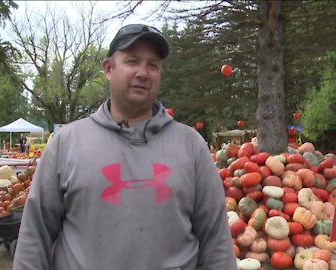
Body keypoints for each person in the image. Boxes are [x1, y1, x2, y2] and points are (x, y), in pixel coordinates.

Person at [13, 24, 236, 270]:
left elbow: (216, 241)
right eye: (132, 61)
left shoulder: (191, 146)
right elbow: (35, 237)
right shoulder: (67, 143)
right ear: (108, 68)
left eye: (152, 65)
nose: (143, 72)